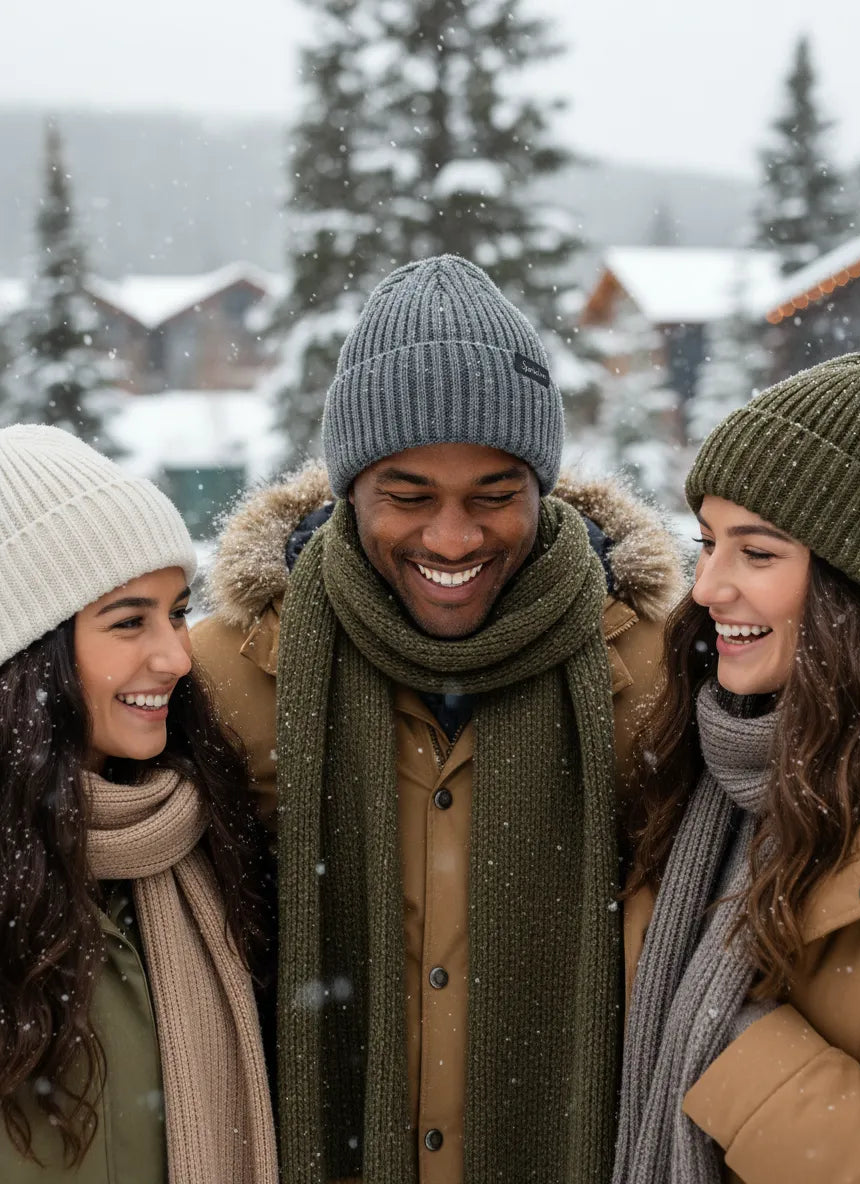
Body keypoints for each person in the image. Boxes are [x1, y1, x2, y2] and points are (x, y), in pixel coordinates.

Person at [192, 254, 681, 1184]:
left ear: (544, 487)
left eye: (494, 498)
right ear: (347, 494)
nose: (452, 540)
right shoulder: (230, 673)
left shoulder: (656, 673)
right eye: (407, 498)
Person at [0, 425, 277, 1184]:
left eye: (179, 611)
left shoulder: (195, 836)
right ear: (29, 651)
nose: (177, 656)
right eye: (129, 621)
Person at [616, 352, 860, 1184]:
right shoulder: (709, 763)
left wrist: (736, 1056)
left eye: (757, 554)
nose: (708, 585)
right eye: (707, 543)